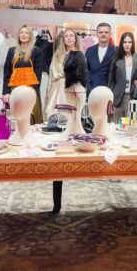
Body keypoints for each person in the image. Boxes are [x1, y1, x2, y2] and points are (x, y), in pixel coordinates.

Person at [50, 50, 89, 215]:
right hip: (75, 131)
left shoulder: (69, 88)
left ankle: (57, 206)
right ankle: (57, 204)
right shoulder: (79, 89)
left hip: (71, 131)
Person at [3, 25, 43, 124]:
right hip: (14, 90)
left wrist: (34, 92)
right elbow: (7, 73)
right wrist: (6, 92)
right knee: (16, 118)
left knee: (30, 119)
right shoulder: (11, 51)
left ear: (30, 36)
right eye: (21, 32)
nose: (24, 35)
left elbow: (38, 74)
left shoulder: (36, 51)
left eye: (27, 33)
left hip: (31, 90)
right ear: (18, 35)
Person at [108, 32, 137, 122]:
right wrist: (110, 99)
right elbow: (111, 81)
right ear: (121, 43)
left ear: (133, 43)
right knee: (117, 125)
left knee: (132, 125)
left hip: (133, 98)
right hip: (118, 98)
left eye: (129, 42)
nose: (127, 45)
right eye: (124, 42)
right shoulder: (116, 59)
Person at [44, 29, 81, 119]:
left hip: (72, 88)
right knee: (54, 117)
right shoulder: (57, 55)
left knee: (69, 117)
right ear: (63, 39)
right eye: (66, 36)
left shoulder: (79, 55)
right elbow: (52, 74)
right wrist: (48, 92)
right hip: (56, 88)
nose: (69, 38)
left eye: (71, 36)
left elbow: (81, 74)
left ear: (75, 39)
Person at [85, 22, 116, 94]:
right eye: (101, 32)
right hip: (92, 91)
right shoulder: (89, 51)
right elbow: (85, 71)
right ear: (97, 34)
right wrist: (89, 88)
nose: (103, 34)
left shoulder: (116, 51)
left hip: (110, 92)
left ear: (110, 34)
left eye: (106, 32)